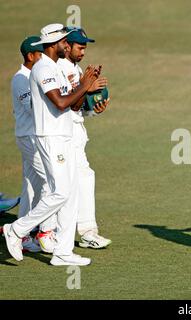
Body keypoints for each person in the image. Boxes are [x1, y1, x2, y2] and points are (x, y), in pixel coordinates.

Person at [3, 23, 100, 266]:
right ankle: (16, 230)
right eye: (64, 41)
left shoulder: (55, 67)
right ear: (54, 43)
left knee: (71, 195)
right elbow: (59, 102)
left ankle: (63, 253)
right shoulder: (43, 67)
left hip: (65, 135)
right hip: (51, 137)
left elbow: (73, 104)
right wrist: (83, 87)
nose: (67, 44)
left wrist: (86, 86)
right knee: (59, 193)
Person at [57, 27, 111, 249]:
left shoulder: (76, 68)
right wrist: (86, 87)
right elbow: (62, 101)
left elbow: (77, 106)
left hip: (76, 131)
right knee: (63, 183)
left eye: (85, 47)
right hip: (62, 134)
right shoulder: (57, 67)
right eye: (80, 47)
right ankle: (45, 231)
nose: (83, 51)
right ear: (66, 45)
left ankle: (85, 231)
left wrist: (93, 108)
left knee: (82, 178)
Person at [10, 36, 56, 253]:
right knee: (51, 181)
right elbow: (33, 108)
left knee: (31, 185)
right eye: (41, 54)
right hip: (29, 137)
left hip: (33, 136)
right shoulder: (21, 78)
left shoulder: (34, 75)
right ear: (30, 56)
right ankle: (45, 232)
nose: (44, 58)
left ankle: (23, 237)